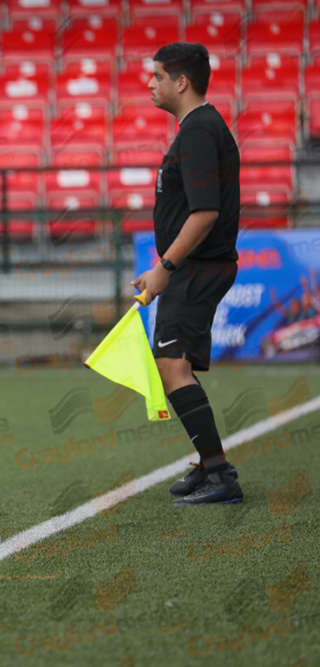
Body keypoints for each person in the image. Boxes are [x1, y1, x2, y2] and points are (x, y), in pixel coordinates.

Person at [132, 42, 242, 505]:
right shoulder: (197, 127)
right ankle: (207, 464)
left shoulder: (198, 130)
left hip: (195, 268)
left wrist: (164, 269)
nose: (150, 83)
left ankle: (220, 475)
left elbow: (205, 214)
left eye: (157, 75)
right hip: (195, 267)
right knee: (180, 366)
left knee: (171, 365)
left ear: (182, 81)